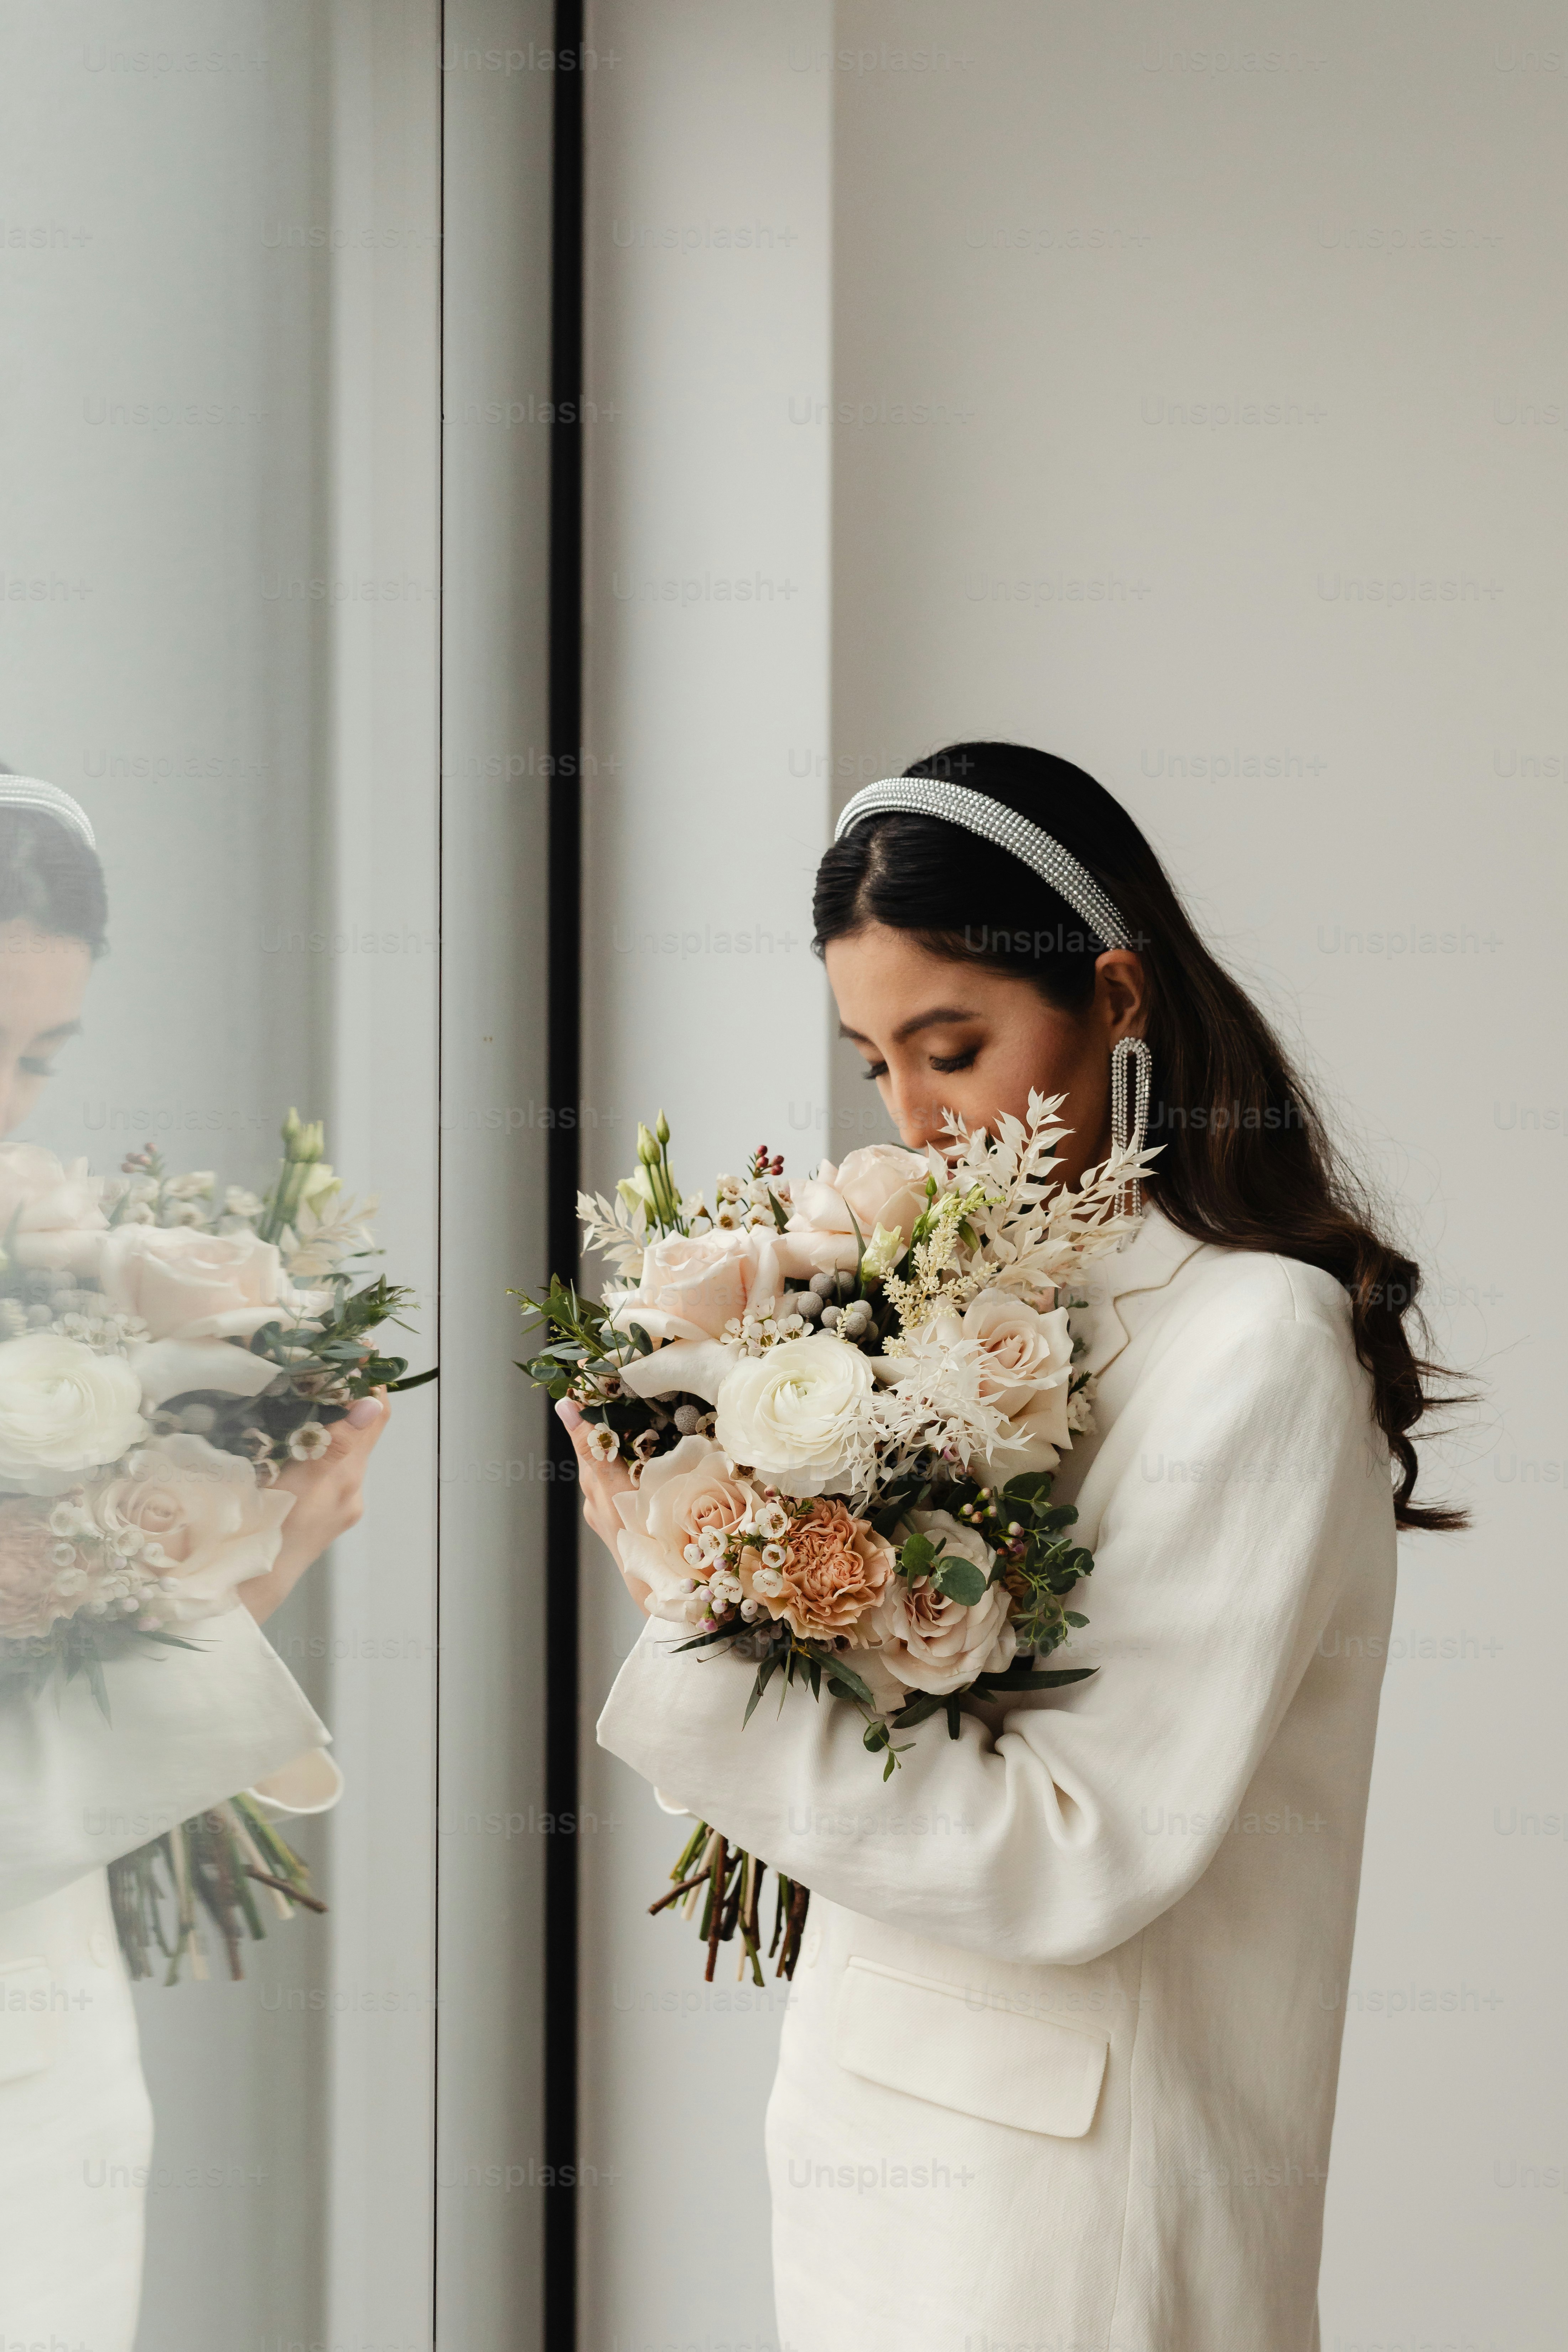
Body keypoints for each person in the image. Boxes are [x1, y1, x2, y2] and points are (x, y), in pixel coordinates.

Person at [565, 744, 1463, 2352]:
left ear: (1116, 998)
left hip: (1071, 2217)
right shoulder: (964, 1298)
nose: (918, 1119)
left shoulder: (1253, 1344)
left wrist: (689, 1613)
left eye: (956, 1047)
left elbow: (1077, 1848)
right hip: (877, 2149)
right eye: (875, 1066)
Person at [0, 780, 388, 2349]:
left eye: (28, 1060)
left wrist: (217, 1538)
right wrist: (269, 1563)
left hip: (48, 2092)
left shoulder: (42, 1259)